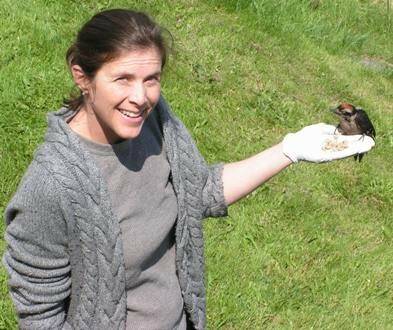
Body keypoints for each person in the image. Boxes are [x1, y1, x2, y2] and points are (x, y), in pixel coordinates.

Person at [2, 8, 374, 330]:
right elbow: (40, 316)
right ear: (82, 76)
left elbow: (197, 191)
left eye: (152, 79)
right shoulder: (49, 189)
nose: (140, 97)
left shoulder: (155, 121)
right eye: (123, 79)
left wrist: (290, 149)